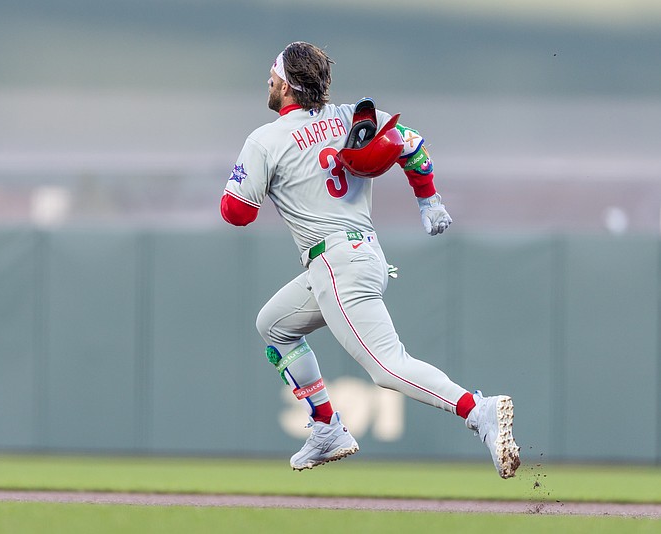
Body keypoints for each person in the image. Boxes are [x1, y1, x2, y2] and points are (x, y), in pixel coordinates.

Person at [220, 41, 520, 479]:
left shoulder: (266, 140)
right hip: (360, 254)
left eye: (274, 73)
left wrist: (248, 180)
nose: (269, 79)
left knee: (386, 366)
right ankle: (327, 427)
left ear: (286, 84)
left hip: (336, 262)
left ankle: (479, 411)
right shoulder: (349, 118)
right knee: (274, 324)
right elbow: (412, 144)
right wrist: (428, 198)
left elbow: (237, 213)